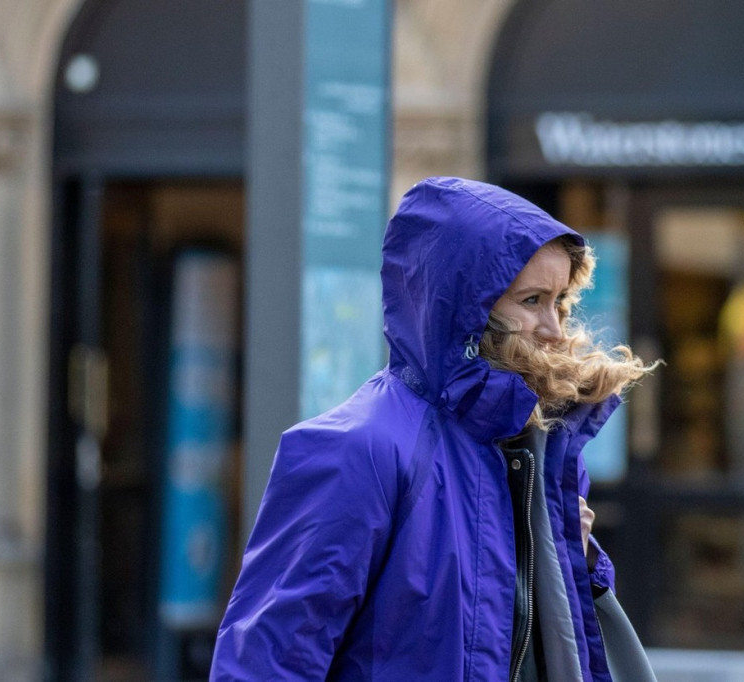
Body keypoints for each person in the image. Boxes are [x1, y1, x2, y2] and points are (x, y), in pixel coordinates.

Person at [210, 177, 657, 681]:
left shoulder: (535, 445)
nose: (553, 329)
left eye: (559, 302)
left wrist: (577, 556)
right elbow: (269, 662)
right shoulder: (359, 449)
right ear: (463, 304)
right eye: (531, 300)